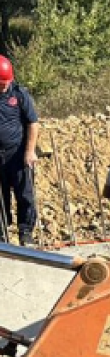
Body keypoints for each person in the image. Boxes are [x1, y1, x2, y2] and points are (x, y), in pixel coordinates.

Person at [0, 55, 40, 246]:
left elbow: (33, 123)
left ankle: (25, 233)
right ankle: (2, 234)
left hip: (17, 153)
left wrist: (29, 151)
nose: (4, 86)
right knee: (0, 197)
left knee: (25, 194)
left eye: (6, 82)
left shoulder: (19, 94)